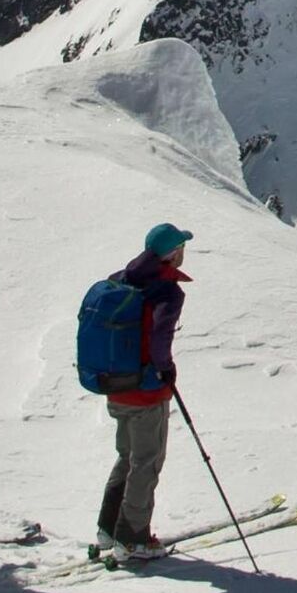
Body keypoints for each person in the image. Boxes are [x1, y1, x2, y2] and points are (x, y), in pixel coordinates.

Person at [98, 222, 193, 549]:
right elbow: (158, 338)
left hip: (116, 386)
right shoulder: (167, 291)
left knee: (127, 457)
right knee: (146, 463)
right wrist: (166, 370)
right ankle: (133, 539)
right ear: (173, 254)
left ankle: (108, 529)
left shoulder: (120, 279)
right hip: (146, 392)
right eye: (181, 248)